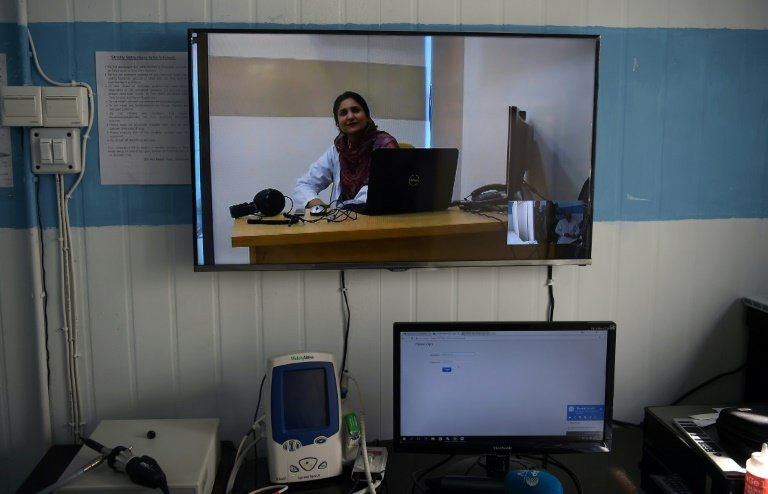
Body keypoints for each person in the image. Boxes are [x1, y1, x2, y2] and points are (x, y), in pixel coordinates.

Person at [293, 91, 399, 209]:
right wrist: (316, 204)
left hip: (378, 219)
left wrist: (342, 210)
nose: (350, 116)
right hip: (343, 221)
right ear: (338, 123)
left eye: (355, 110)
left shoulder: (384, 145)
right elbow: (304, 185)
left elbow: (380, 190)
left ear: (368, 117)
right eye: (343, 113)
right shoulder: (338, 150)